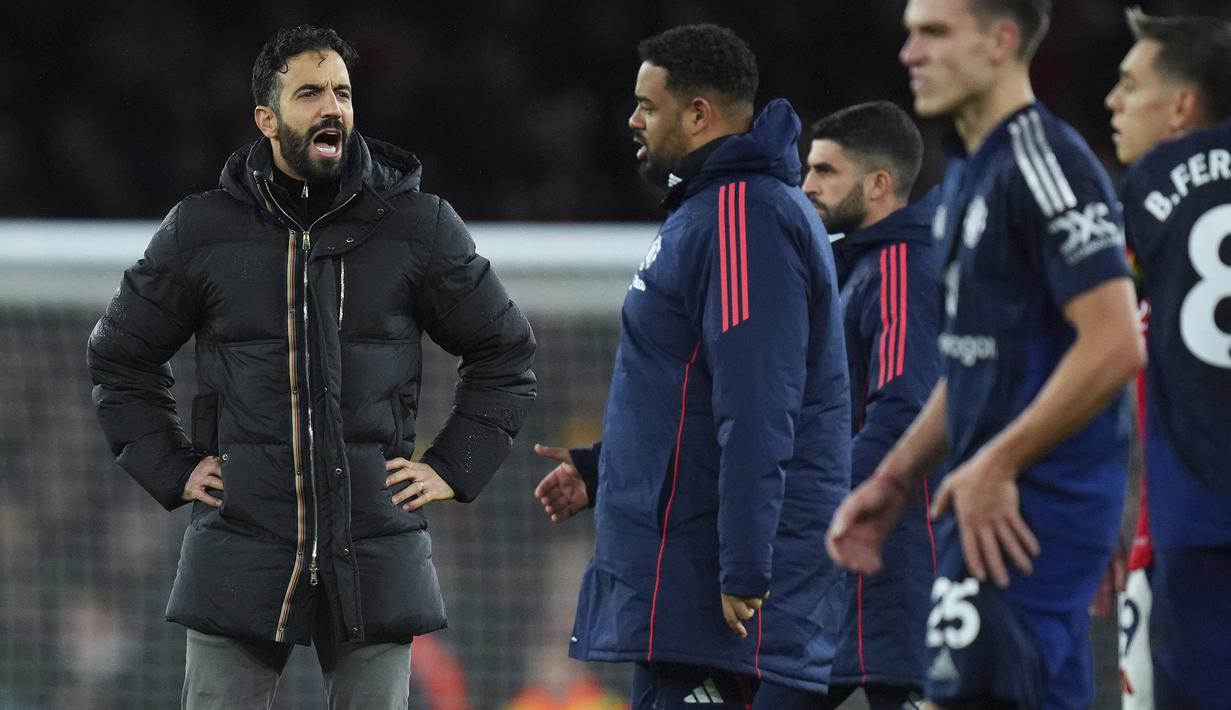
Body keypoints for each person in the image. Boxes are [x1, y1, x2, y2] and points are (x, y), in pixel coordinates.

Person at [86, 25, 536, 710]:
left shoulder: (417, 226)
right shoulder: (201, 231)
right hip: (239, 547)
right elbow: (118, 357)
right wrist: (171, 466)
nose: (333, 108)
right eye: (309, 94)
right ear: (266, 119)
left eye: (343, 93)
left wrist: (454, 463)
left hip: (375, 552)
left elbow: (504, 351)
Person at [825, 0, 1146, 707]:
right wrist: (893, 475)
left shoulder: (1042, 162)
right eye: (908, 33)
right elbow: (976, 361)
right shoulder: (962, 182)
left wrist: (996, 462)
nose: (910, 53)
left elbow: (1114, 342)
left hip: (1025, 514)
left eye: (934, 33)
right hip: (981, 507)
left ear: (1002, 42)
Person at [534, 23, 850, 709]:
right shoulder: (712, 212)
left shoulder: (741, 219)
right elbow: (693, 396)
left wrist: (743, 566)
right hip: (690, 586)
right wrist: (604, 467)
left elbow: (758, 401)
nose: (631, 119)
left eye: (647, 104)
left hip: (716, 599)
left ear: (698, 113)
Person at [1104, 8, 1231, 708]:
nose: (1110, 102)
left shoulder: (1151, 187)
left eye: (1128, 84)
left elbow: (1106, 348)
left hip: (1191, 523)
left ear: (1181, 105)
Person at [804, 102, 941, 710]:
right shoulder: (857, 267)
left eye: (826, 171)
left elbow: (900, 408)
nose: (807, 185)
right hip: (857, 565)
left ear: (879, 184)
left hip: (902, 558)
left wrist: (814, 501)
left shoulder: (902, 267)